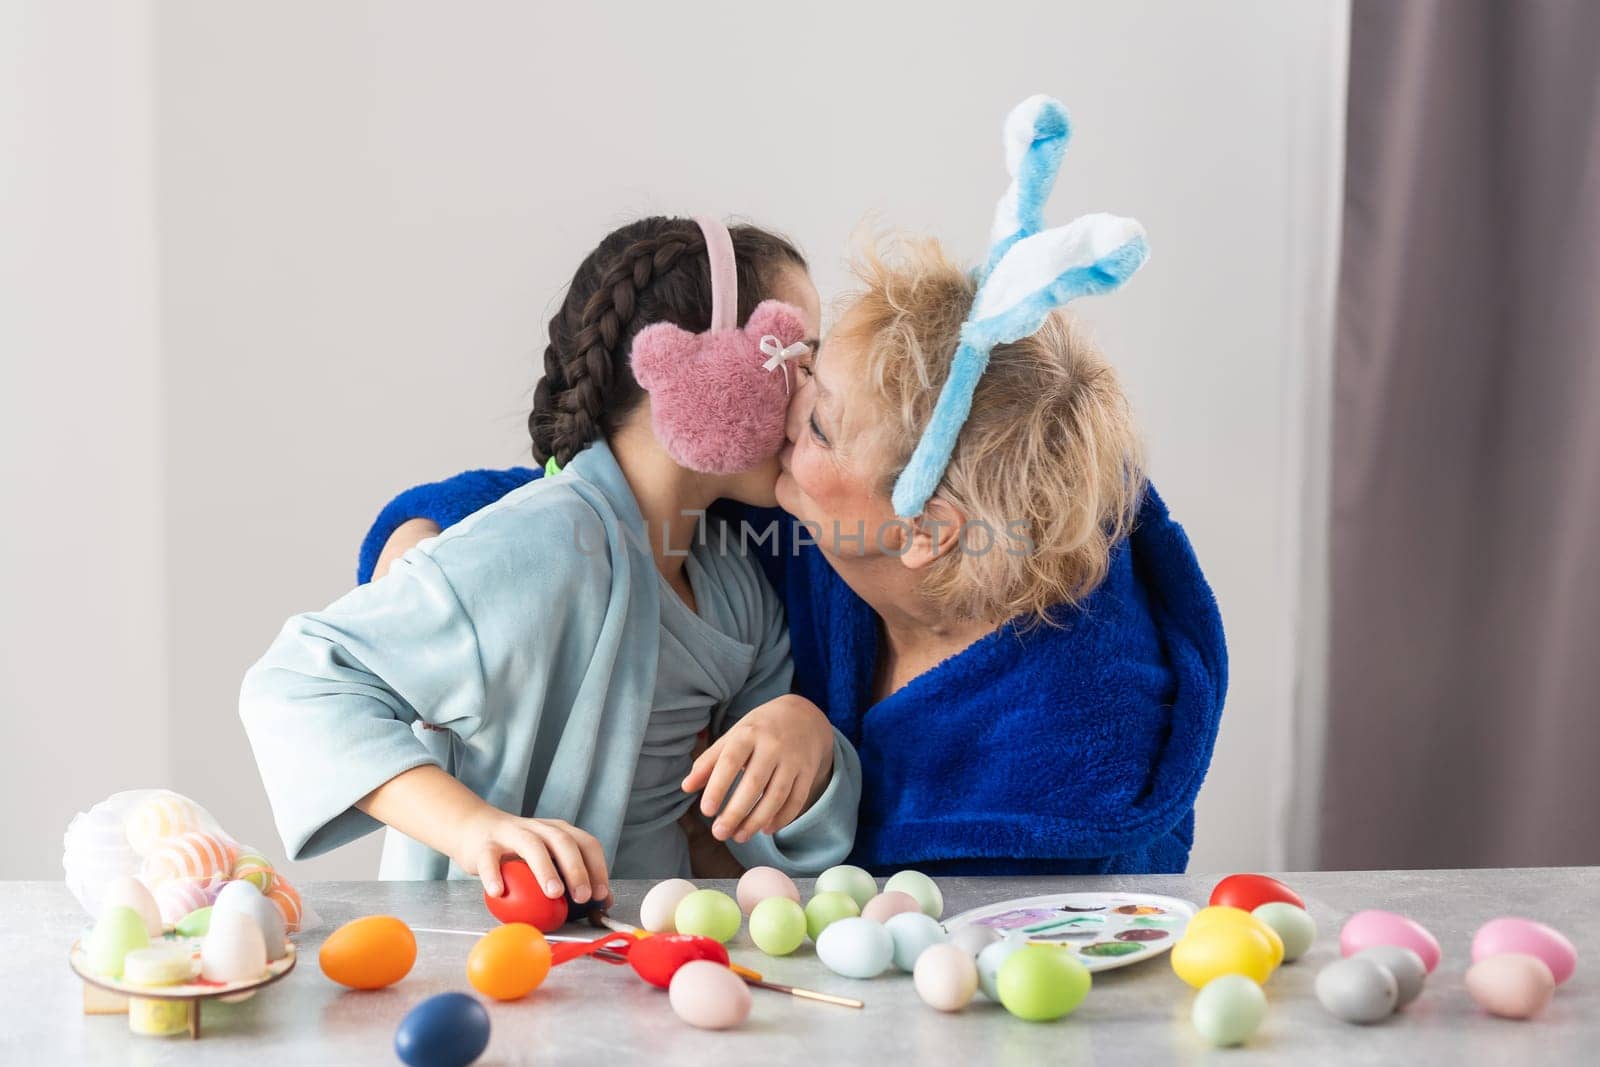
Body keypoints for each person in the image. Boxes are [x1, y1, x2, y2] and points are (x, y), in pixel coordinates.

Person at [359, 98, 1227, 877]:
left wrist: (807, 755)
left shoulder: (1069, 756)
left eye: (818, 423)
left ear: (924, 527)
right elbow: (630, 490)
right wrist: (434, 527)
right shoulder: (813, 529)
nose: (782, 408)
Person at [240, 216, 862, 904]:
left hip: (648, 967)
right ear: (686, 368)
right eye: (794, 360)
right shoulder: (543, 545)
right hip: (501, 966)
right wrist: (476, 828)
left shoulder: (738, 587)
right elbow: (299, 682)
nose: (808, 396)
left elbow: (758, 841)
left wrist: (808, 739)